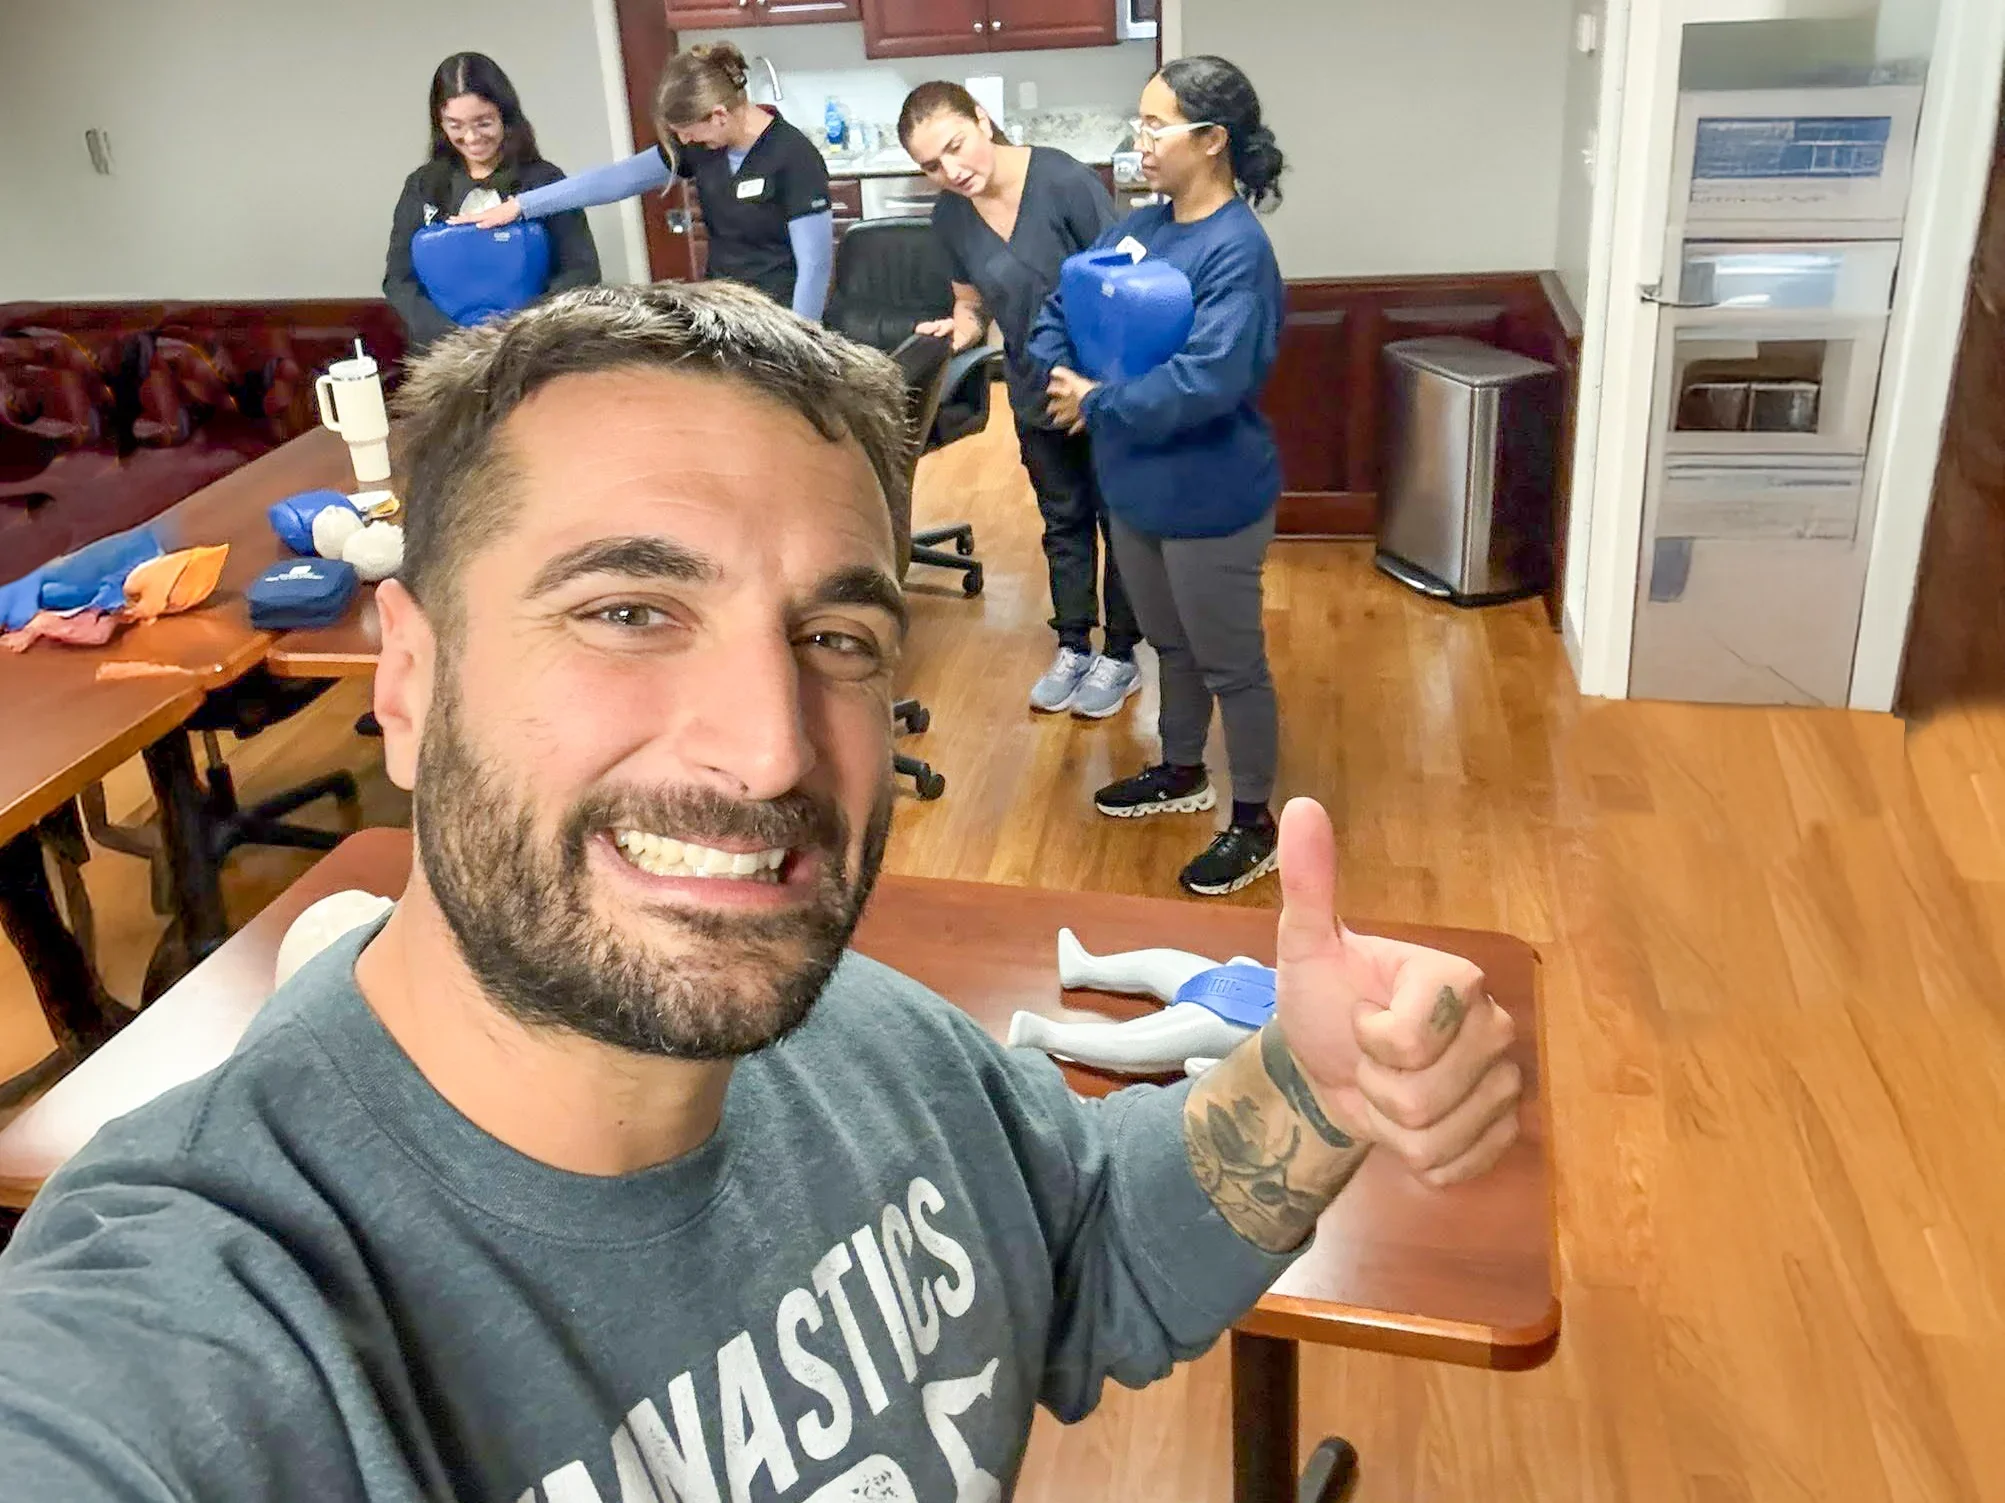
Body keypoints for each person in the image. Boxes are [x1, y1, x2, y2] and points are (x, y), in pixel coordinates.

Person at [0, 282, 1523, 1501]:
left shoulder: (875, 1043)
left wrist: (1312, 1087)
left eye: (839, 637)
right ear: (407, 674)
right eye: (630, 607)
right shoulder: (203, 1313)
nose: (770, 744)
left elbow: (1087, 1242)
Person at [1027, 57, 1290, 899]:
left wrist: (1097, 402)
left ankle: (1253, 820)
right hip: (1134, 486)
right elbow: (1060, 307)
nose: (1137, 141)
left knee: (1229, 663)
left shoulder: (1235, 251)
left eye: (1154, 126)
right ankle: (1182, 770)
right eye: (1137, 123)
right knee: (1166, 644)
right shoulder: (1142, 226)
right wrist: (1063, 377)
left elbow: (1210, 379)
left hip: (1210, 493)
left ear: (1211, 141)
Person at [899, 83, 1143, 719]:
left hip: (1102, 389)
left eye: (956, 146)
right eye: (931, 165)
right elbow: (973, 303)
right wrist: (958, 328)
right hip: (1035, 391)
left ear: (983, 120)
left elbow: (1130, 289)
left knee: (1119, 524)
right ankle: (1072, 645)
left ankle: (1120, 655)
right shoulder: (950, 217)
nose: (951, 171)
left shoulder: (1063, 182)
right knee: (1062, 522)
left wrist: (1101, 387)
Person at [460, 43, 834, 322]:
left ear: (718, 115)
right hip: (723, 308)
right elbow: (614, 180)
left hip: (780, 314)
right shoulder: (704, 148)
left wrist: (802, 341)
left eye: (689, 132)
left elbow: (814, 265)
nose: (686, 143)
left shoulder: (794, 157)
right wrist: (520, 206)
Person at [384, 52, 601, 354]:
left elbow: (581, 271)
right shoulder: (423, 186)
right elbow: (399, 281)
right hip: (445, 359)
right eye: (455, 125)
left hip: (534, 350)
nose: (471, 137)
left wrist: (516, 331)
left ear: (506, 116)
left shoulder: (544, 181)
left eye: (483, 122)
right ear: (439, 124)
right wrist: (455, 338)